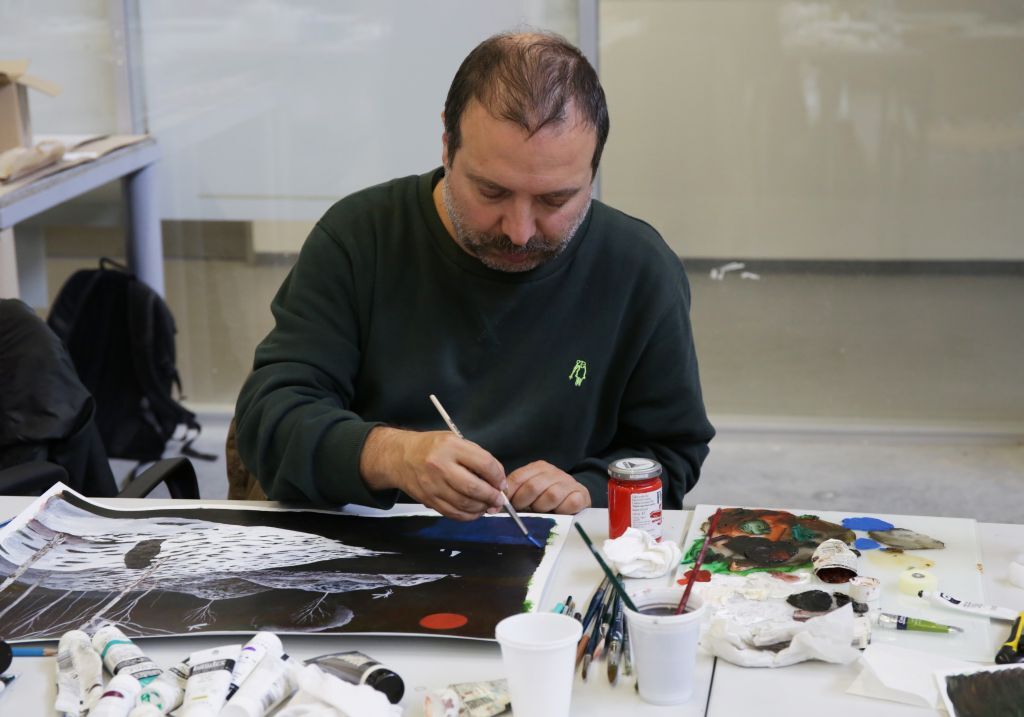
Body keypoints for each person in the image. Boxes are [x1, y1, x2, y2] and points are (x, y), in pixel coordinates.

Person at [235, 30, 714, 520]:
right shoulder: (361, 237)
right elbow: (268, 420)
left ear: (592, 171)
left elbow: (670, 452)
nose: (520, 232)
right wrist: (391, 455)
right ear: (447, 146)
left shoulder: (638, 269)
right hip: (377, 537)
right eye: (491, 192)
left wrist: (587, 491)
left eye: (555, 200)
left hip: (561, 544)